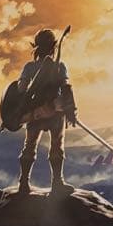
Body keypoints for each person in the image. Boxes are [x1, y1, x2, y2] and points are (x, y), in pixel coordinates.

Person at [16, 28, 77, 195]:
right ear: (53, 47)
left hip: (35, 113)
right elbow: (66, 88)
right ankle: (57, 183)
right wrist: (71, 110)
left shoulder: (30, 67)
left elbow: (21, 89)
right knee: (57, 146)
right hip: (55, 112)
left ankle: (23, 183)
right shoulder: (59, 66)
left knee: (30, 146)